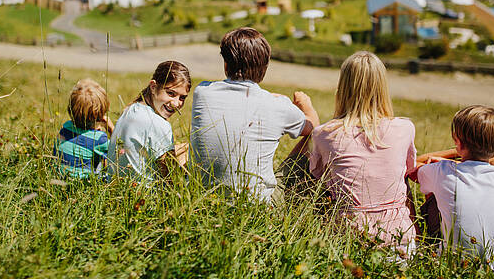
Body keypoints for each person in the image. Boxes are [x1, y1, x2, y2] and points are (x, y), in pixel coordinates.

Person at [191, 27, 320, 202]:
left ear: (226, 63)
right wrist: (306, 105)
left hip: (205, 200)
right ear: (265, 66)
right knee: (315, 138)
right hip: (258, 207)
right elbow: (313, 127)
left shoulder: (202, 92)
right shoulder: (278, 106)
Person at [308, 51, 417, 253]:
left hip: (349, 241)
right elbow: (408, 172)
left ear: (343, 87)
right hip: (401, 240)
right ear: (382, 87)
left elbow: (317, 177)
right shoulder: (404, 128)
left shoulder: (325, 134)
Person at [411, 105, 494, 266]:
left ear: (457, 141)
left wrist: (453, 155)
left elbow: (416, 163)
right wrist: (492, 155)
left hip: (454, 265)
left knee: (434, 193)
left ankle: (433, 242)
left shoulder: (443, 172)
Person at [107, 61, 191, 182]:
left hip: (115, 185)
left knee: (185, 147)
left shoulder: (131, 108)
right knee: (191, 154)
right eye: (171, 93)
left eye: (182, 97)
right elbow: (170, 179)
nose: (176, 103)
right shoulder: (158, 124)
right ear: (153, 87)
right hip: (144, 196)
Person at [54, 78, 114, 178]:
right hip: (84, 183)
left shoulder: (65, 128)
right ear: (100, 116)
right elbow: (118, 153)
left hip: (59, 177)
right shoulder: (99, 139)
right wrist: (111, 129)